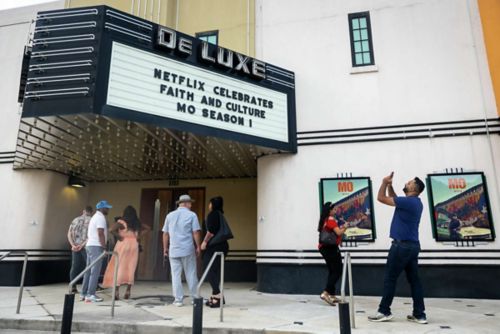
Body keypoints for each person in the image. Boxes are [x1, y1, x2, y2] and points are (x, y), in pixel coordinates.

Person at [368, 172, 427, 324]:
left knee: (390, 278)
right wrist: (390, 185)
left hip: (401, 246)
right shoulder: (414, 202)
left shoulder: (409, 202)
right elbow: (394, 197)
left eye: (409, 182)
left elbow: (381, 198)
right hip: (412, 246)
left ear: (415, 188)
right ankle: (419, 314)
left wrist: (383, 182)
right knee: (414, 281)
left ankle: (384, 311)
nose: (407, 182)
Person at [162, 194, 202, 307]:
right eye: (190, 203)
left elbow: (165, 234)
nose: (191, 205)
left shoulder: (170, 215)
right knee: (191, 274)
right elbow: (195, 232)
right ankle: (195, 298)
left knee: (175, 275)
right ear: (186, 203)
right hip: (187, 249)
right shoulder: (192, 215)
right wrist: (198, 246)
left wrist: (165, 248)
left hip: (174, 250)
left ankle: (178, 300)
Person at [102, 205, 141, 300]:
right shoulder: (137, 223)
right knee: (131, 267)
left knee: (119, 266)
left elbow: (111, 229)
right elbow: (147, 228)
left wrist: (119, 236)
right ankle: (128, 290)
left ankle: (116, 292)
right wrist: (138, 237)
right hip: (134, 245)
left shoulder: (122, 222)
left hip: (123, 245)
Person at [201, 196, 230, 308]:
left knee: (208, 268)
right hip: (222, 246)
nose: (209, 205)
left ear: (213, 204)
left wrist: (204, 242)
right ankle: (215, 297)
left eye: (210, 203)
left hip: (215, 246)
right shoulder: (220, 215)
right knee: (214, 271)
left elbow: (211, 231)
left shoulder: (213, 214)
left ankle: (218, 295)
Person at [81, 200, 112, 303]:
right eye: (106, 208)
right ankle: (90, 294)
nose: (108, 209)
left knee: (88, 270)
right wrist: (103, 247)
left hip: (90, 245)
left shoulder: (95, 217)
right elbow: (100, 233)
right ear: (101, 208)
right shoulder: (100, 218)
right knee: (95, 272)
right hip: (96, 246)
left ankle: (84, 293)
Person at [318, 202, 346, 306]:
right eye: (334, 210)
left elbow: (334, 232)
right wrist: (345, 227)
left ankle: (332, 295)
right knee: (337, 271)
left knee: (332, 270)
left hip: (325, 248)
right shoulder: (330, 219)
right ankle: (325, 293)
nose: (335, 211)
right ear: (330, 211)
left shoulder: (324, 219)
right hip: (331, 249)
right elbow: (338, 232)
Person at [67, 206, 93, 293]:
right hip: (85, 246)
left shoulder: (75, 220)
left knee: (75, 266)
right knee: (89, 266)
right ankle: (90, 287)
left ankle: (73, 286)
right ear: (91, 212)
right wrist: (82, 245)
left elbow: (69, 234)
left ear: (83, 211)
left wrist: (73, 245)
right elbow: (90, 236)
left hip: (74, 246)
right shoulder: (91, 220)